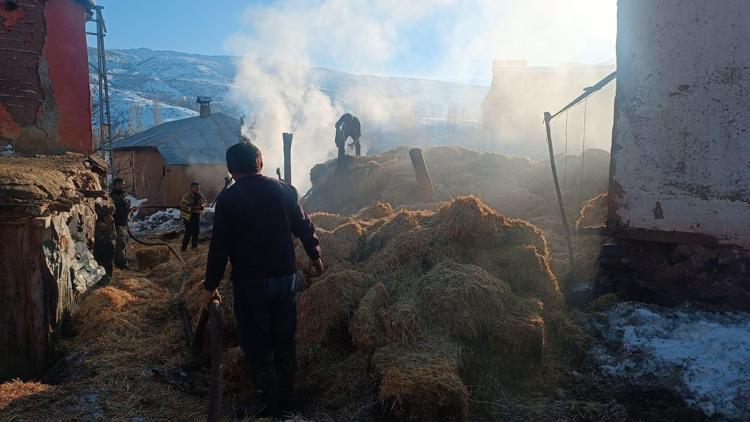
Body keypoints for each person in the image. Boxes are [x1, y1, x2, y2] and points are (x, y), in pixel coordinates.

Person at [202, 140, 324, 417]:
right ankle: (288, 399)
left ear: (231, 169)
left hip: (251, 283)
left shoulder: (229, 199)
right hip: (286, 279)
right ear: (261, 163)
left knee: (257, 343)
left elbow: (219, 247)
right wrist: (315, 256)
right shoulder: (286, 190)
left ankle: (269, 403)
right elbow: (304, 226)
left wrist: (210, 286)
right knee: (284, 339)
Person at [180, 181, 207, 252]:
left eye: (199, 188)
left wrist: (202, 206)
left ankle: (194, 247)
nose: (198, 189)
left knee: (196, 232)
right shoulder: (187, 196)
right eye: (196, 188)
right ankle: (183, 248)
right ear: (192, 188)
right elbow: (183, 207)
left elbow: (205, 203)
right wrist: (193, 209)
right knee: (188, 233)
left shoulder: (200, 195)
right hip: (188, 217)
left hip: (196, 216)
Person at [110, 178, 130, 270]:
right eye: (120, 184)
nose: (122, 186)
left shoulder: (123, 196)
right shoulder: (112, 197)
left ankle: (123, 261)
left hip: (124, 224)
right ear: (114, 186)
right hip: (117, 224)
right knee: (120, 244)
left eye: (123, 184)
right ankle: (120, 264)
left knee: (124, 243)